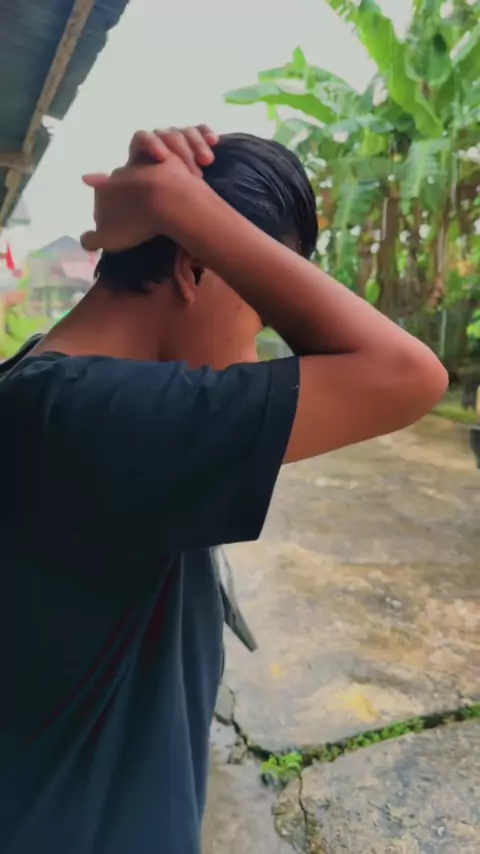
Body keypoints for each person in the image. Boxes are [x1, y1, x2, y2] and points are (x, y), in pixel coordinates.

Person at [0, 125, 447, 854]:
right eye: (259, 318)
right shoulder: (87, 417)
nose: (254, 352)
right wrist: (180, 206)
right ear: (194, 267)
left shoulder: (42, 385)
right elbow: (407, 376)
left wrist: (185, 211)